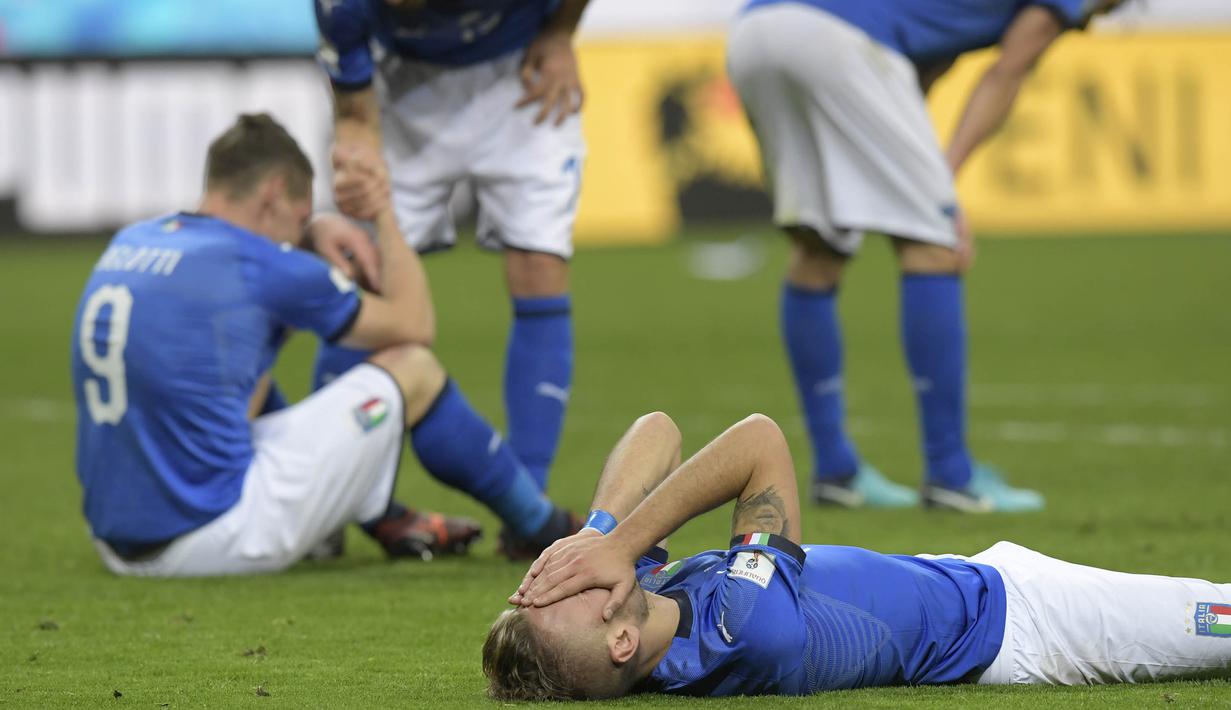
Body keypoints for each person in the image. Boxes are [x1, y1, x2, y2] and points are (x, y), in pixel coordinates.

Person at [70, 113, 578, 577]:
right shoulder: (257, 264)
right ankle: (538, 523)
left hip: (115, 545)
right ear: (273, 194)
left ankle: (380, 517)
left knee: (235, 370)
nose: (298, 234)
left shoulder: (136, 240)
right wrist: (383, 214)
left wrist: (308, 232)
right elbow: (413, 323)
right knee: (414, 369)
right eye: (299, 216)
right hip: (210, 536)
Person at [483, 412, 1231, 700]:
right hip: (1027, 625)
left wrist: (601, 531)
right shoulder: (742, 631)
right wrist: (616, 542)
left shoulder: (650, 617)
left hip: (974, 580)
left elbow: (657, 428)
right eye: (565, 594)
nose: (568, 576)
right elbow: (759, 441)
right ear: (617, 641)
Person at [724, 0, 1126, 511]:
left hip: (756, 30)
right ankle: (951, 474)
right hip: (837, 39)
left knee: (818, 246)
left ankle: (836, 469)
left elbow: (913, 75)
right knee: (934, 244)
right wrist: (944, 188)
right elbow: (1008, 71)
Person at [312, 0, 590, 553]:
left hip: (520, 78)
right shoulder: (340, 6)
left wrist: (560, 33)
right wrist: (358, 157)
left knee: (538, 264)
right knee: (368, 278)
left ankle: (527, 507)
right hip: (404, 91)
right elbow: (354, 113)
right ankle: (321, 509)